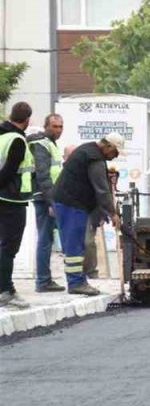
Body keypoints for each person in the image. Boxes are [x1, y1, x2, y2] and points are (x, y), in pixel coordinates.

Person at [51, 133, 126, 296]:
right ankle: (76, 283)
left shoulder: (88, 150)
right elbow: (102, 190)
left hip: (67, 202)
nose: (115, 156)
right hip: (72, 203)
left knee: (74, 243)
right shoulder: (95, 159)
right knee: (75, 243)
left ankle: (77, 279)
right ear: (108, 147)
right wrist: (113, 213)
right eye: (115, 152)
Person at [0, 102, 33, 309]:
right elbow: (9, 172)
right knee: (9, 247)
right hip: (12, 199)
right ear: (27, 119)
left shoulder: (2, 135)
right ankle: (6, 290)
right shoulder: (17, 140)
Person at [28, 113, 65, 292]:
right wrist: (51, 202)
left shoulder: (50, 144)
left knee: (48, 239)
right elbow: (43, 175)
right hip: (44, 198)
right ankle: (43, 281)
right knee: (45, 239)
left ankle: (45, 279)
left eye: (60, 127)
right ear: (46, 126)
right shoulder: (41, 144)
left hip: (49, 197)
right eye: (55, 126)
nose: (58, 130)